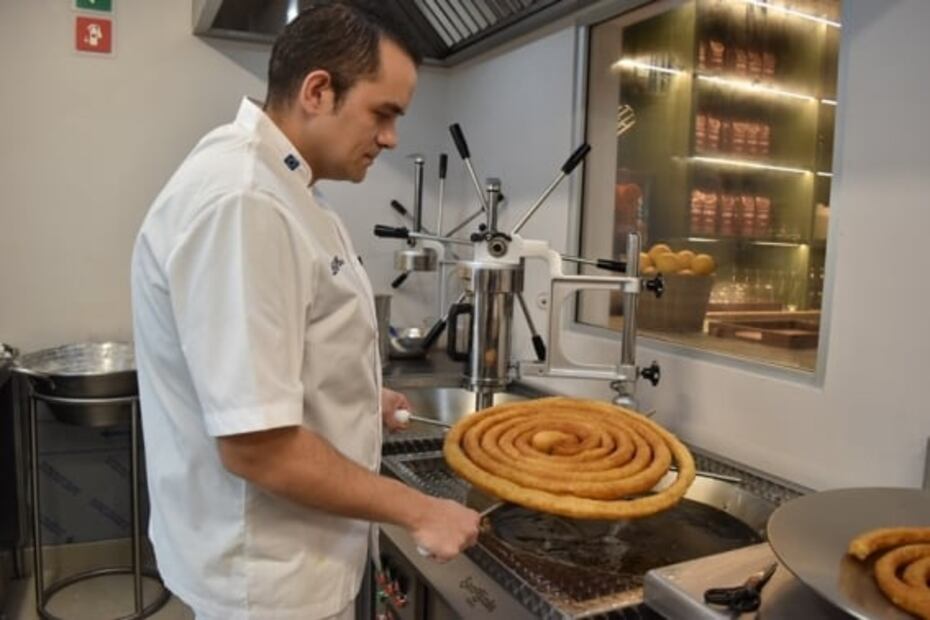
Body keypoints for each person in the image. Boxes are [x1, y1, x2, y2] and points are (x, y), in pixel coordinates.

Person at [130, 3, 480, 619]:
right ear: (318, 90)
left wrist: (355, 397)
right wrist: (420, 509)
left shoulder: (285, 187)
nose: (392, 137)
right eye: (384, 112)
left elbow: (270, 367)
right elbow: (256, 448)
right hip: (268, 582)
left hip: (290, 567)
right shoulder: (246, 201)